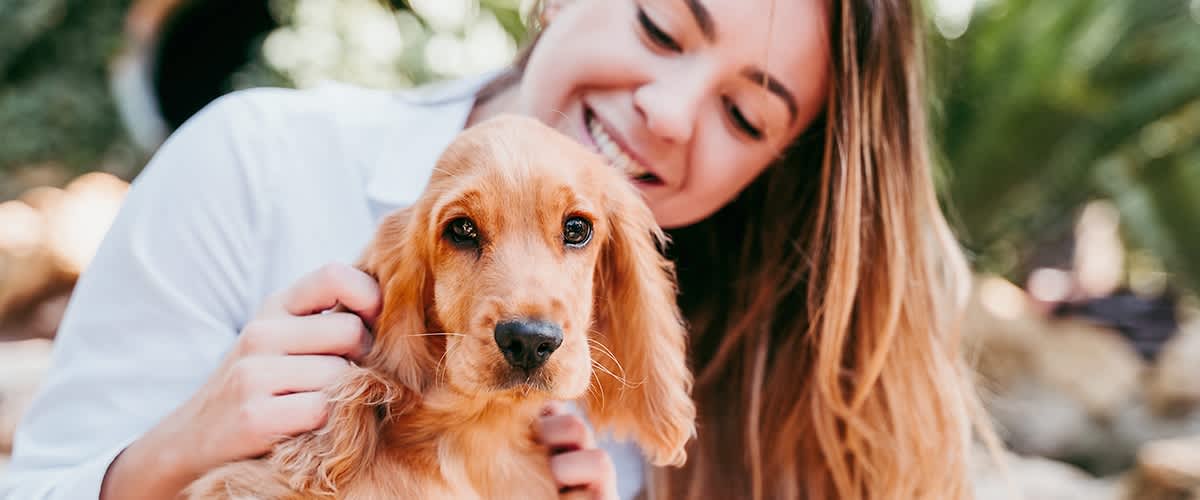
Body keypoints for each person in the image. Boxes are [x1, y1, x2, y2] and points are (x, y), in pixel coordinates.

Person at [0, 0, 988, 499]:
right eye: (658, 25)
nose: (669, 111)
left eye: (743, 112)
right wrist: (173, 446)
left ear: (773, 167)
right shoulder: (254, 161)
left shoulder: (709, 354)